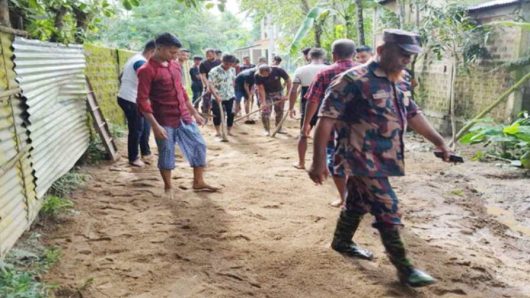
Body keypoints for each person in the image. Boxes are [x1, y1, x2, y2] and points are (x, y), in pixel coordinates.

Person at [309, 29, 452, 287]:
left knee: (358, 201)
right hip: (359, 156)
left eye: (411, 55)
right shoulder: (352, 79)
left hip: (385, 155)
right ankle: (405, 269)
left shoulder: (402, 78)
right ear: (382, 51)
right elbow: (325, 120)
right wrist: (318, 161)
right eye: (402, 54)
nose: (407, 60)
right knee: (387, 205)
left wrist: (440, 142)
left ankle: (341, 241)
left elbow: (412, 113)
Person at [137, 32, 219, 198]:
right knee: (166, 152)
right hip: (163, 118)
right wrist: (155, 125)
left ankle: (198, 182)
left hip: (183, 115)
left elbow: (181, 90)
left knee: (199, 144)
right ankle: (168, 187)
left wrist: (194, 112)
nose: (175, 56)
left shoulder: (175, 66)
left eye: (176, 52)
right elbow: (142, 101)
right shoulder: (146, 70)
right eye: (171, 52)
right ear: (158, 49)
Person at [303, 39, 359, 208]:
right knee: (359, 163)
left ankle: (344, 197)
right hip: (361, 128)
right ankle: (358, 197)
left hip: (332, 127)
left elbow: (313, 100)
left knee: (336, 163)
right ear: (354, 54)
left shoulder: (325, 73)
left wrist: (306, 123)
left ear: (334, 55)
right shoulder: (364, 72)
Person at [117, 39, 156, 167]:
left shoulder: (136, 58)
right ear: (152, 51)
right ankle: (133, 158)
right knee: (136, 128)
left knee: (145, 126)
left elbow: (120, 76)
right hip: (130, 99)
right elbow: (149, 82)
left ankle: (146, 152)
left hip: (129, 96)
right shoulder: (141, 62)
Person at [288, 48, 327, 170]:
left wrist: (291, 107)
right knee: (326, 136)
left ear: (309, 57)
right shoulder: (329, 69)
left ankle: (301, 162)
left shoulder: (301, 70)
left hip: (308, 104)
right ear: (324, 57)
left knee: (303, 134)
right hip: (326, 105)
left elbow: (293, 90)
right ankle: (324, 164)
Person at [254, 64, 292, 136]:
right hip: (266, 93)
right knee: (265, 111)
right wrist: (263, 102)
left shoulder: (278, 70)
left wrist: (287, 95)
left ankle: (278, 128)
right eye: (261, 74)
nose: (263, 76)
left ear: (269, 72)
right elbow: (260, 88)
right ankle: (266, 130)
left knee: (279, 110)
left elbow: (289, 81)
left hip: (278, 92)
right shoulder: (257, 75)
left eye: (264, 74)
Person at [208, 54, 237, 138]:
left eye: (231, 64)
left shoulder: (232, 70)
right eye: (227, 64)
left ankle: (229, 131)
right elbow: (210, 85)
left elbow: (232, 81)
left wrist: (233, 91)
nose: (229, 66)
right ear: (222, 61)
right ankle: (218, 131)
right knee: (217, 115)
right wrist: (216, 96)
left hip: (230, 96)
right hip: (217, 97)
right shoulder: (214, 71)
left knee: (231, 114)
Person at [199, 48, 221, 115]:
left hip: (218, 85)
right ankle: (206, 115)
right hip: (208, 84)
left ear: (214, 54)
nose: (208, 56)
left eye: (210, 55)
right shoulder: (203, 64)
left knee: (218, 100)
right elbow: (203, 76)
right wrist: (208, 86)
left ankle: (218, 114)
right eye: (207, 55)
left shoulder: (219, 62)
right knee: (206, 101)